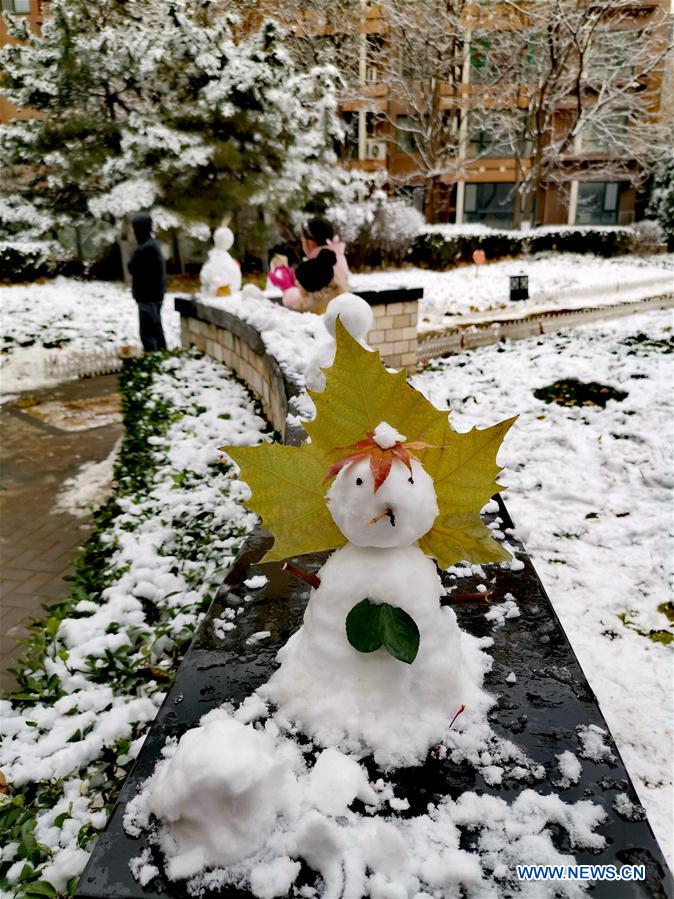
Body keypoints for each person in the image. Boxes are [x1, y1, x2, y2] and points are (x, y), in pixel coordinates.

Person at [279, 218, 350, 314]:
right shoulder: (337, 256)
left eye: (302, 241)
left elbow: (307, 299)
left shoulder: (317, 265)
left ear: (310, 242)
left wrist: (287, 289)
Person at [128, 212, 167, 351]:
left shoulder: (145, 249)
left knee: (148, 333)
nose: (131, 231)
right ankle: (163, 358)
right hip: (154, 296)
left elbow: (132, 267)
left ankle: (154, 361)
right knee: (156, 330)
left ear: (139, 229)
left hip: (148, 298)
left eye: (133, 227)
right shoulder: (151, 246)